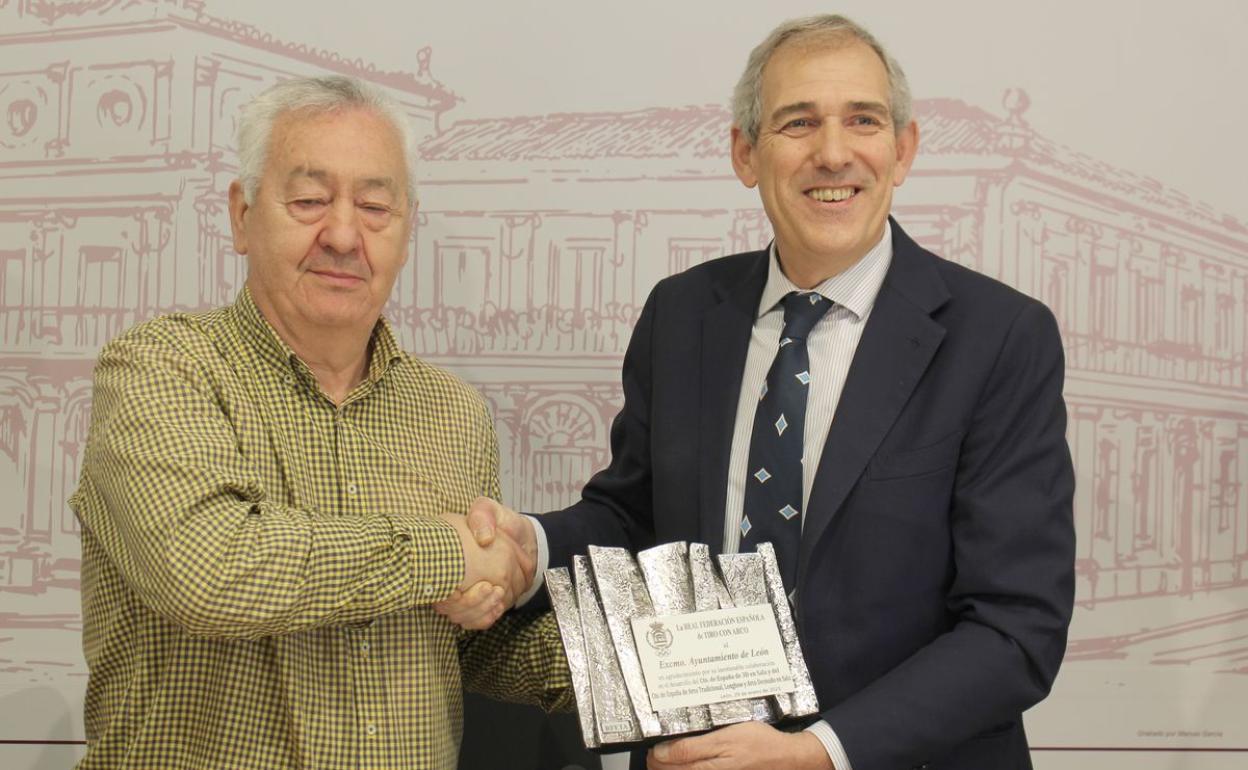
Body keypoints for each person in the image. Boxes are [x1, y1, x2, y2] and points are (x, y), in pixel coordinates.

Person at [440, 14, 1075, 770]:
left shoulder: (999, 337)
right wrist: (531, 547)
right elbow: (636, 516)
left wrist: (819, 751)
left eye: (862, 121)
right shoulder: (682, 314)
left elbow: (1015, 629)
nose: (832, 152)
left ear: (902, 150)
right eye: (797, 123)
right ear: (746, 152)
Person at [69, 75, 569, 770]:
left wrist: (675, 672)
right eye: (308, 201)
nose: (342, 235)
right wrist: (446, 553)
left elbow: (466, 640)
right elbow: (213, 573)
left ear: (406, 228)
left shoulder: (452, 412)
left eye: (374, 206)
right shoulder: (161, 370)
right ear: (242, 216)